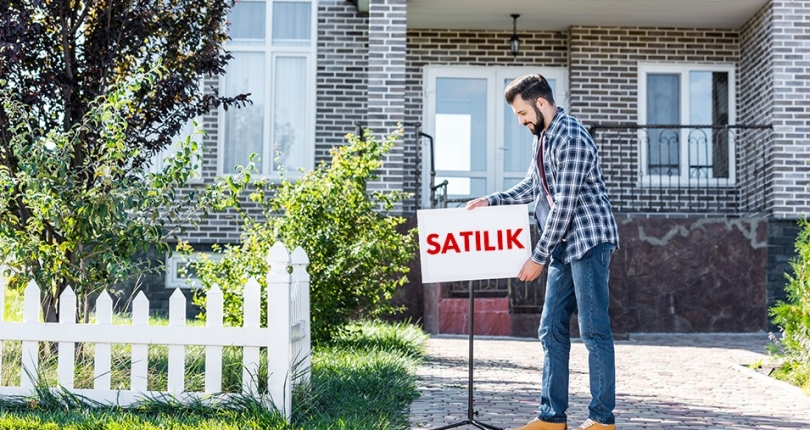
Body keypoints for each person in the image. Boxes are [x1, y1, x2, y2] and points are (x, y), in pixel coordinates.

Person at [466, 73, 620, 430]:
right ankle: (552, 419)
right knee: (550, 329)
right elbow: (532, 187)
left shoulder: (571, 136)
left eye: (522, 113)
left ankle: (601, 420)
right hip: (564, 245)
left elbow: (564, 204)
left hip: (589, 240)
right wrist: (492, 200)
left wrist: (537, 256)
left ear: (540, 103)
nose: (521, 122)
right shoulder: (544, 138)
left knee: (595, 331)